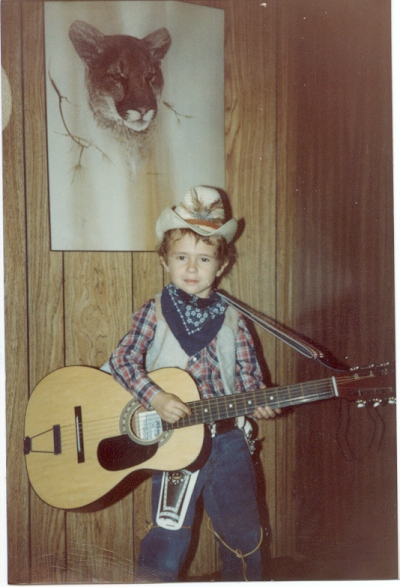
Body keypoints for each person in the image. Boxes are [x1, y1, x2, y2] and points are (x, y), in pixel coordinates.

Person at [109, 186, 280, 582]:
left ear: (221, 266)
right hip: (174, 445)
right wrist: (156, 397)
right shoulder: (154, 312)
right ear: (164, 260)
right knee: (168, 539)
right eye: (181, 257)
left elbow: (250, 379)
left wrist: (260, 402)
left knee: (244, 535)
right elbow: (122, 361)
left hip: (229, 442)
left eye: (203, 259)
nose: (191, 268)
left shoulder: (234, 318)